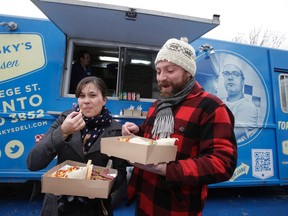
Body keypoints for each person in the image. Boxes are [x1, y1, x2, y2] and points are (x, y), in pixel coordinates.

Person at [122, 37, 237, 216]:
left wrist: (168, 169)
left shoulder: (211, 107)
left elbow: (223, 163)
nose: (161, 78)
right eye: (158, 71)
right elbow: (152, 139)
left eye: (170, 70)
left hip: (177, 209)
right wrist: (139, 131)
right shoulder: (158, 105)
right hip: (144, 202)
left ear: (188, 72)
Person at [27, 77, 127, 216]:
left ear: (104, 100)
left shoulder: (116, 130)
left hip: (95, 207)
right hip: (59, 205)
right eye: (81, 96)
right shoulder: (65, 120)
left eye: (92, 95)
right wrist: (63, 132)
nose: (86, 100)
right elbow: (33, 163)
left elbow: (120, 172)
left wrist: (102, 187)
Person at [222, 63, 258, 143]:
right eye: (226, 74)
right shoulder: (219, 101)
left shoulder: (248, 107)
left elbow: (226, 135)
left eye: (235, 74)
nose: (230, 78)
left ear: (242, 81)